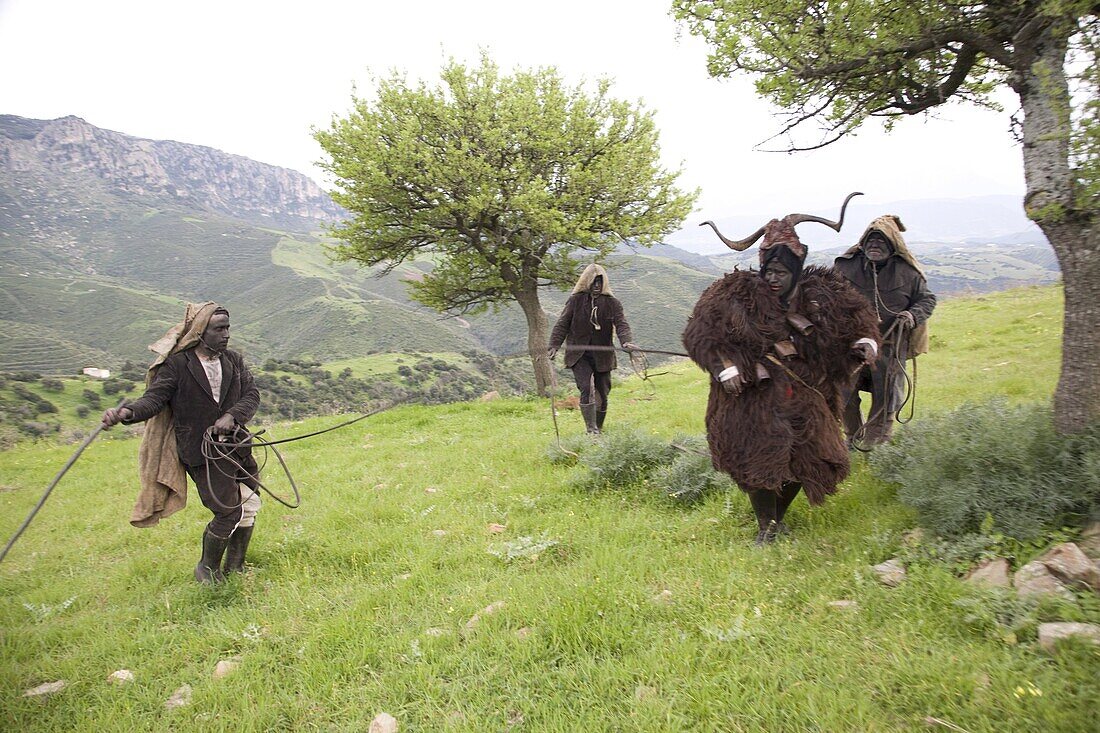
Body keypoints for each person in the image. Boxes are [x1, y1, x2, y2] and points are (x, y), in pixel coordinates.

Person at [684, 211, 879, 545]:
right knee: (757, 456)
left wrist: (866, 342)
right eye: (769, 270)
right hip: (752, 395)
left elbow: (859, 319)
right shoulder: (732, 293)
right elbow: (700, 333)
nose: (774, 277)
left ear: (797, 268)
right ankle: (766, 525)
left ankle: (779, 518)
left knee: (811, 456)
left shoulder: (824, 290)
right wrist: (725, 368)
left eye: (782, 271)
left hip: (806, 392)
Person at [102, 302, 261, 583]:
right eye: (219, 329)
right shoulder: (178, 366)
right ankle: (207, 570)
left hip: (238, 446)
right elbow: (153, 400)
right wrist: (126, 413)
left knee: (249, 503)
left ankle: (235, 567)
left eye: (227, 328)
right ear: (201, 331)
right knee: (227, 512)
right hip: (202, 453)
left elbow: (251, 394)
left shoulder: (233, 360)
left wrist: (232, 416)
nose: (226, 334)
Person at [834, 215, 937, 446]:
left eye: (881, 242)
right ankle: (853, 437)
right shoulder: (845, 267)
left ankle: (877, 445)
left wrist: (912, 315)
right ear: (863, 243)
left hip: (890, 347)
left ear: (892, 245)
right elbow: (829, 296)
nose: (875, 245)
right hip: (852, 347)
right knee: (842, 394)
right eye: (871, 241)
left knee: (886, 397)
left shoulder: (908, 273)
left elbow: (927, 300)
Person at [547, 263, 638, 434]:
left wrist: (626, 342)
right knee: (587, 388)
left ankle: (599, 428)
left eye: (599, 282)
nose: (596, 286)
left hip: (603, 356)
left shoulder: (612, 303)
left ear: (604, 283)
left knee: (602, 393)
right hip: (578, 355)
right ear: (586, 282)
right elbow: (562, 324)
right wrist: (554, 345)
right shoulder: (575, 301)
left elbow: (621, 325)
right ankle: (591, 430)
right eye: (593, 282)